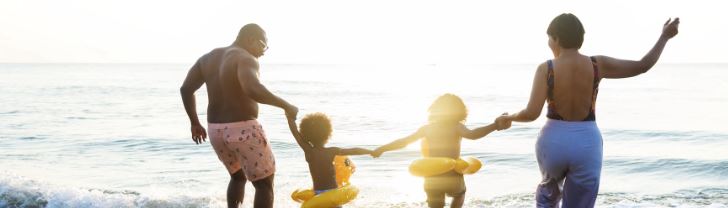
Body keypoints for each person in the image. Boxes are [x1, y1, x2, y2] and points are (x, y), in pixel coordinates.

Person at [495, 14, 680, 208]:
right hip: (587, 142)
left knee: (547, 199)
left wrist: (509, 117)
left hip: (553, 141)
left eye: (549, 38)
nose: (548, 43)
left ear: (556, 38)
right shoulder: (597, 64)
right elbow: (643, 65)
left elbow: (531, 113)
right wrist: (664, 37)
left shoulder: (546, 68)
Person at [180, 23, 298, 208]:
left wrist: (195, 123)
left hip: (215, 131)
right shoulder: (246, 58)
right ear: (250, 39)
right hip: (243, 129)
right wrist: (286, 106)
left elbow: (186, 89)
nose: (264, 51)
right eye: (263, 45)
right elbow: (252, 89)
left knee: (238, 177)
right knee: (264, 185)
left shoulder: (207, 58)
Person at [372, 94, 509, 208]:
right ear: (459, 111)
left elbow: (404, 142)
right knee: (460, 194)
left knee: (435, 204)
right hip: (452, 175)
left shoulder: (426, 128)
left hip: (432, 177)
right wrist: (494, 126)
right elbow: (473, 134)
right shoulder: (456, 126)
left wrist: (382, 149)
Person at [287, 113, 372, 198]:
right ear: (328, 134)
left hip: (318, 194)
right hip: (333, 193)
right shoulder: (332, 151)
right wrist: (371, 152)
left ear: (305, 135)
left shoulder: (309, 151)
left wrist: (289, 117)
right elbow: (354, 151)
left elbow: (295, 133)